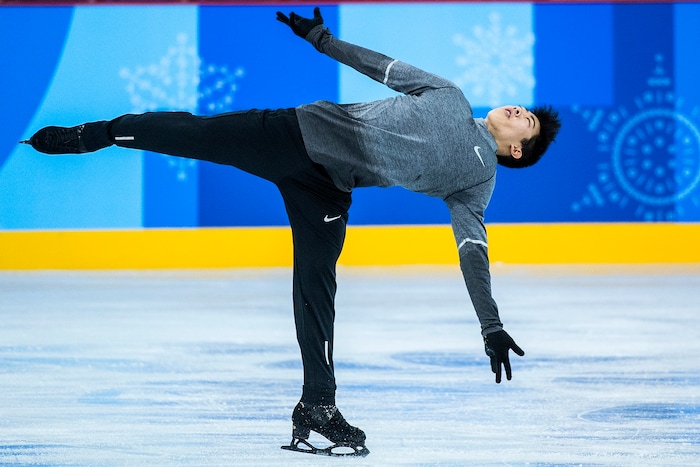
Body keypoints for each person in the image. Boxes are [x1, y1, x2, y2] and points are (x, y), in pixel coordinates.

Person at [22, 7, 561, 457]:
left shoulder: (477, 181)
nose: (517, 110)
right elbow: (380, 67)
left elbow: (472, 251)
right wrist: (320, 39)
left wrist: (490, 326)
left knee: (317, 292)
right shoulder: (450, 95)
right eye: (524, 110)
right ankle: (102, 133)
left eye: (526, 122)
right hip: (296, 133)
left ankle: (318, 405)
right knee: (196, 132)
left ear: (516, 151)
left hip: (327, 191)